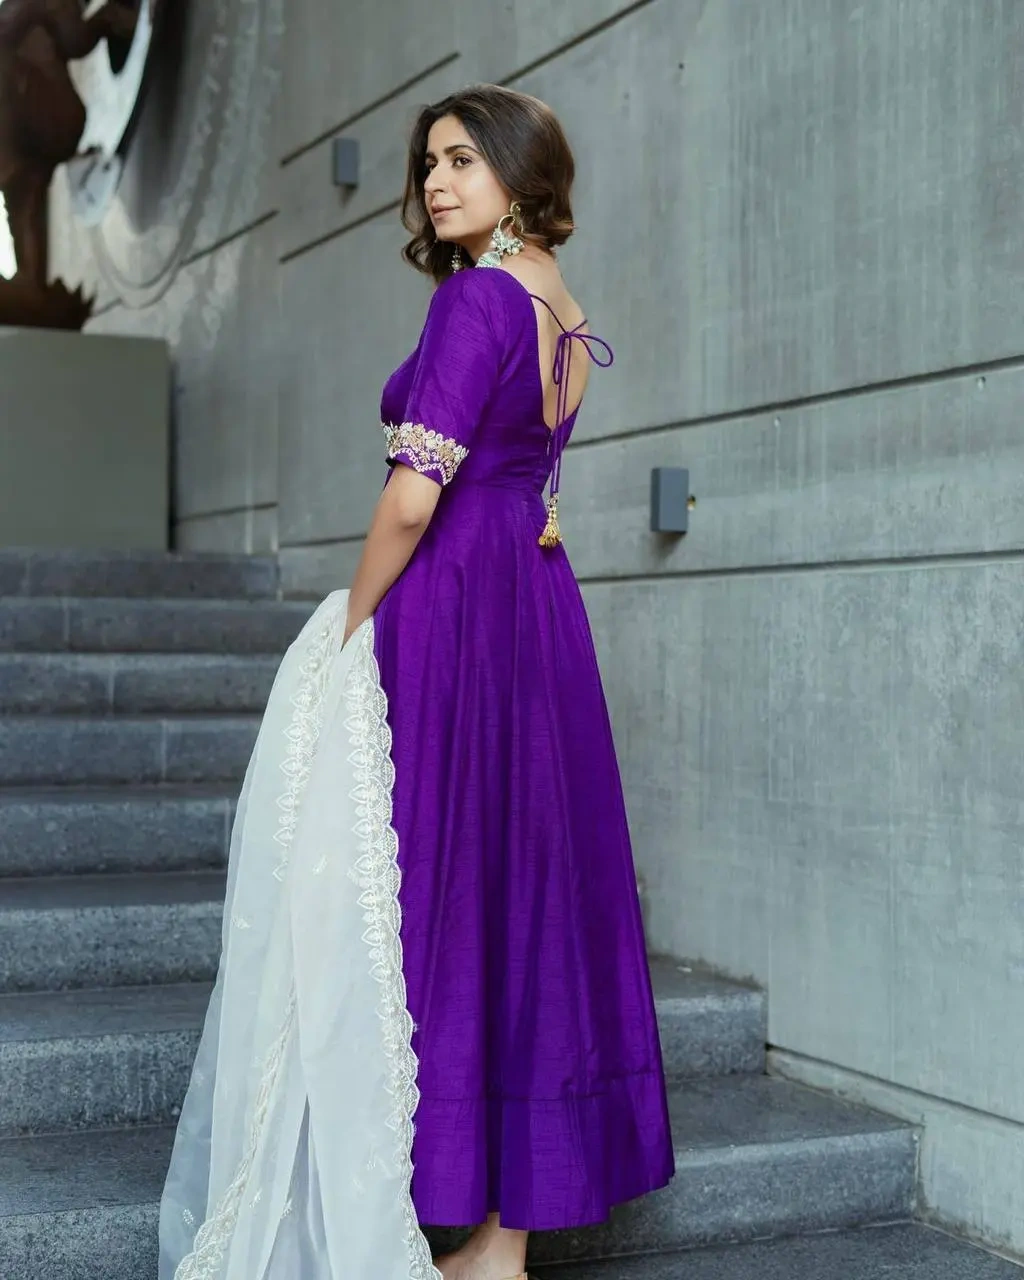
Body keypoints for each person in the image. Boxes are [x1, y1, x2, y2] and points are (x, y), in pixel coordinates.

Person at [158, 83, 674, 1280]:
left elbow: (410, 496)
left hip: (450, 609)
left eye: (460, 158)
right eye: (426, 161)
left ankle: (423, 1208)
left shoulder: (479, 300)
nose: (435, 179)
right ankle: (501, 1245)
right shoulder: (564, 310)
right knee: (516, 886)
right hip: (534, 612)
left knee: (418, 884)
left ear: (516, 170)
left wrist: (352, 620)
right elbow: (527, 482)